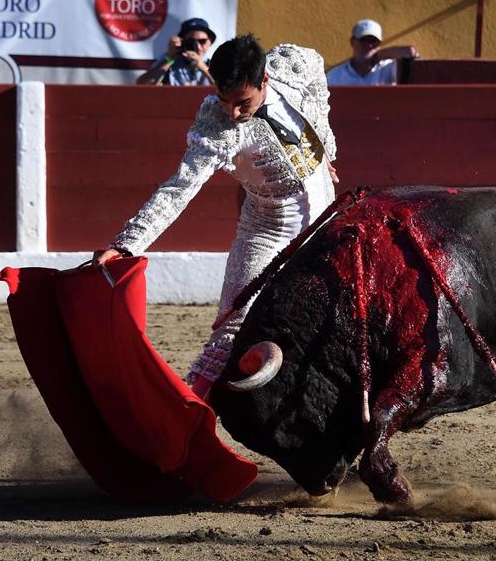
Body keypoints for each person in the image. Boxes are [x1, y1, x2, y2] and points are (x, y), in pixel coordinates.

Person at [95, 34, 339, 398]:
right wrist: (128, 244)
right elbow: (180, 188)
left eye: (242, 102)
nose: (233, 113)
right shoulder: (216, 124)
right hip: (267, 232)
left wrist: (325, 146)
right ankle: (188, 420)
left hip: (326, 222)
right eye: (225, 101)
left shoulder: (292, 65)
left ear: (265, 80)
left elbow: (317, 69)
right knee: (230, 331)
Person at [325, 19, 418, 86]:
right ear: (352, 42)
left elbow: (409, 52)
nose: (369, 45)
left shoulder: (389, 68)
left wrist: (381, 54)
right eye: (363, 40)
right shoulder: (334, 75)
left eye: (373, 41)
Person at [136, 18, 218, 86]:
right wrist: (170, 58)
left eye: (202, 41)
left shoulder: (214, 63)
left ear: (209, 42)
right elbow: (142, 84)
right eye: (191, 42)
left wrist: (202, 66)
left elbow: (225, 91)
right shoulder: (170, 60)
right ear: (182, 42)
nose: (197, 46)